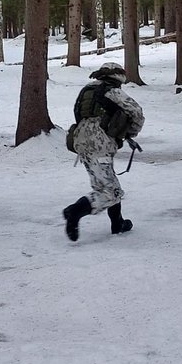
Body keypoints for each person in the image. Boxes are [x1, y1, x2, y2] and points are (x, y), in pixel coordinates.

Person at [63, 62, 145, 241]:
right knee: (110, 192)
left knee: (107, 183)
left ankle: (117, 223)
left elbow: (78, 113)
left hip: (81, 140)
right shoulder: (112, 91)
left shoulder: (87, 89)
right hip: (100, 144)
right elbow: (137, 112)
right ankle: (75, 211)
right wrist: (130, 132)